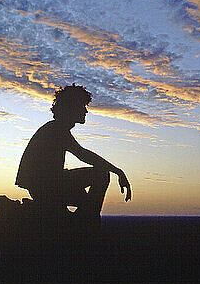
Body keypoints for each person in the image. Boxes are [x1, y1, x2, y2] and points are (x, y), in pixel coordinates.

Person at [16, 84, 131, 223]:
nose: (85, 111)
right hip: (47, 187)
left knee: (86, 202)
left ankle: (83, 222)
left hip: (50, 184)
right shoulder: (56, 129)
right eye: (82, 107)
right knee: (101, 174)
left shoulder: (56, 128)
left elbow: (82, 154)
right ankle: (87, 225)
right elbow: (83, 154)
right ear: (72, 108)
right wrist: (118, 171)